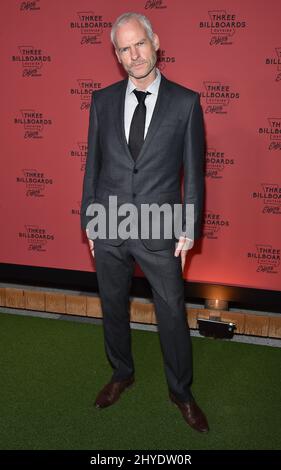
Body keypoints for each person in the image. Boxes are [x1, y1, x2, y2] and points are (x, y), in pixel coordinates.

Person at [80, 12, 209, 433]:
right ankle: (121, 374)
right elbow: (92, 167)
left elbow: (194, 170)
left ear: (155, 42)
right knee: (113, 307)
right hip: (110, 223)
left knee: (171, 311)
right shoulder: (101, 101)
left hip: (161, 224)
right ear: (116, 56)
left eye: (139, 44)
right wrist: (90, 221)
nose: (134, 54)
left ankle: (181, 392)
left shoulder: (186, 102)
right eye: (124, 48)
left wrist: (188, 229)